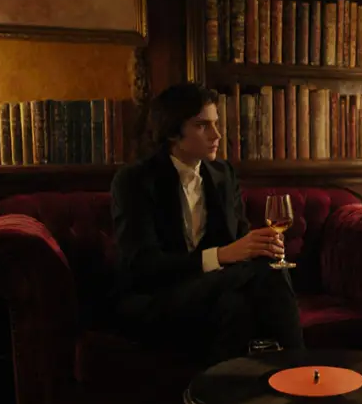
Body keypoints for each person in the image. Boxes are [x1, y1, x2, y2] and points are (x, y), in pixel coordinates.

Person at [110, 83, 305, 366]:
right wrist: (222, 255)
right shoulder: (134, 181)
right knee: (266, 273)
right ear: (173, 132)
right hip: (154, 296)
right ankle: (300, 370)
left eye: (216, 124)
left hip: (213, 290)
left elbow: (239, 241)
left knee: (239, 302)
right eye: (203, 126)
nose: (217, 135)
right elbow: (142, 266)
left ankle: (222, 402)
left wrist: (258, 245)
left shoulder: (222, 173)